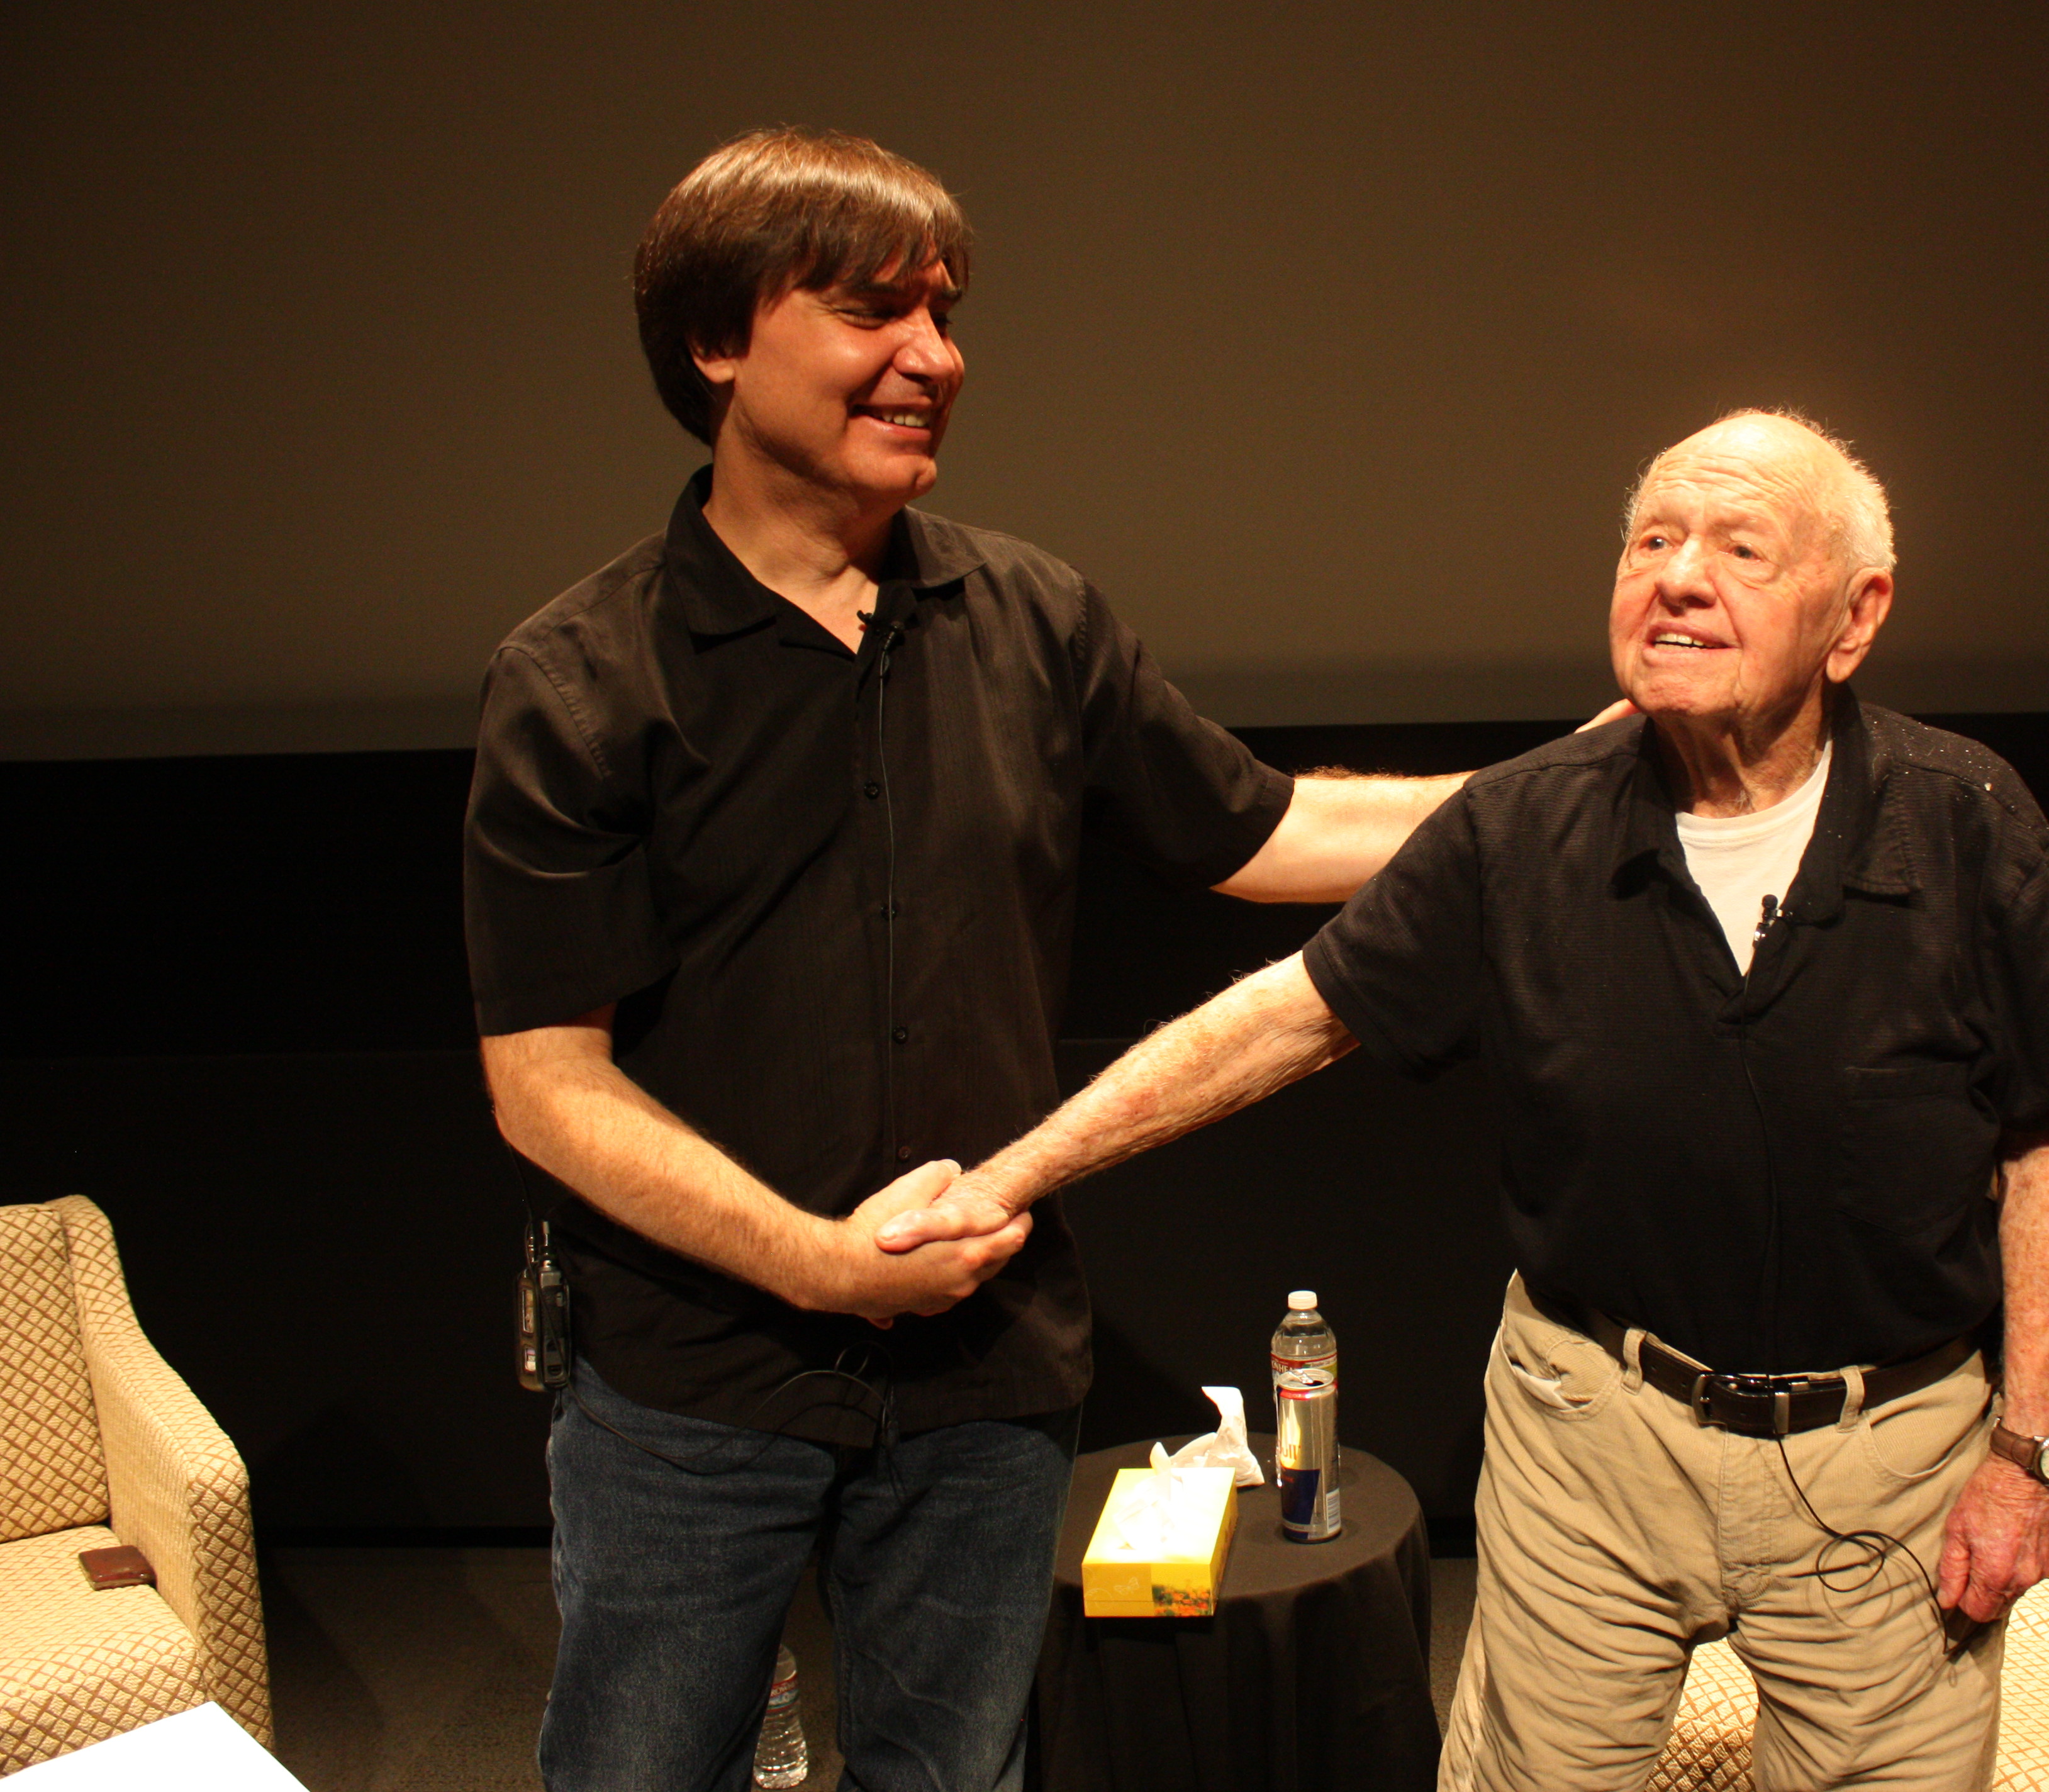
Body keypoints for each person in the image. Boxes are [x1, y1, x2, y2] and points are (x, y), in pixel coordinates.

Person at [881, 409, 2049, 1790]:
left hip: (1889, 1463)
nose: (1677, 575)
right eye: (1652, 539)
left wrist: (2029, 1456)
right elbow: (1279, 1022)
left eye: (1740, 547)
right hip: (1592, 1438)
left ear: (1855, 620)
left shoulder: (1964, 813)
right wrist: (1007, 1175)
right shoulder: (1526, 822)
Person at [462, 127, 1521, 1792]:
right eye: (875, 310)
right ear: (719, 342)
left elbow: (1265, 834)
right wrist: (816, 1263)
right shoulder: (583, 680)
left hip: (978, 1377)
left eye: (946, 314)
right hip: (691, 1394)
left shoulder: (1035, 619)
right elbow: (545, 1085)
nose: (936, 359)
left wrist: (1557, 791)